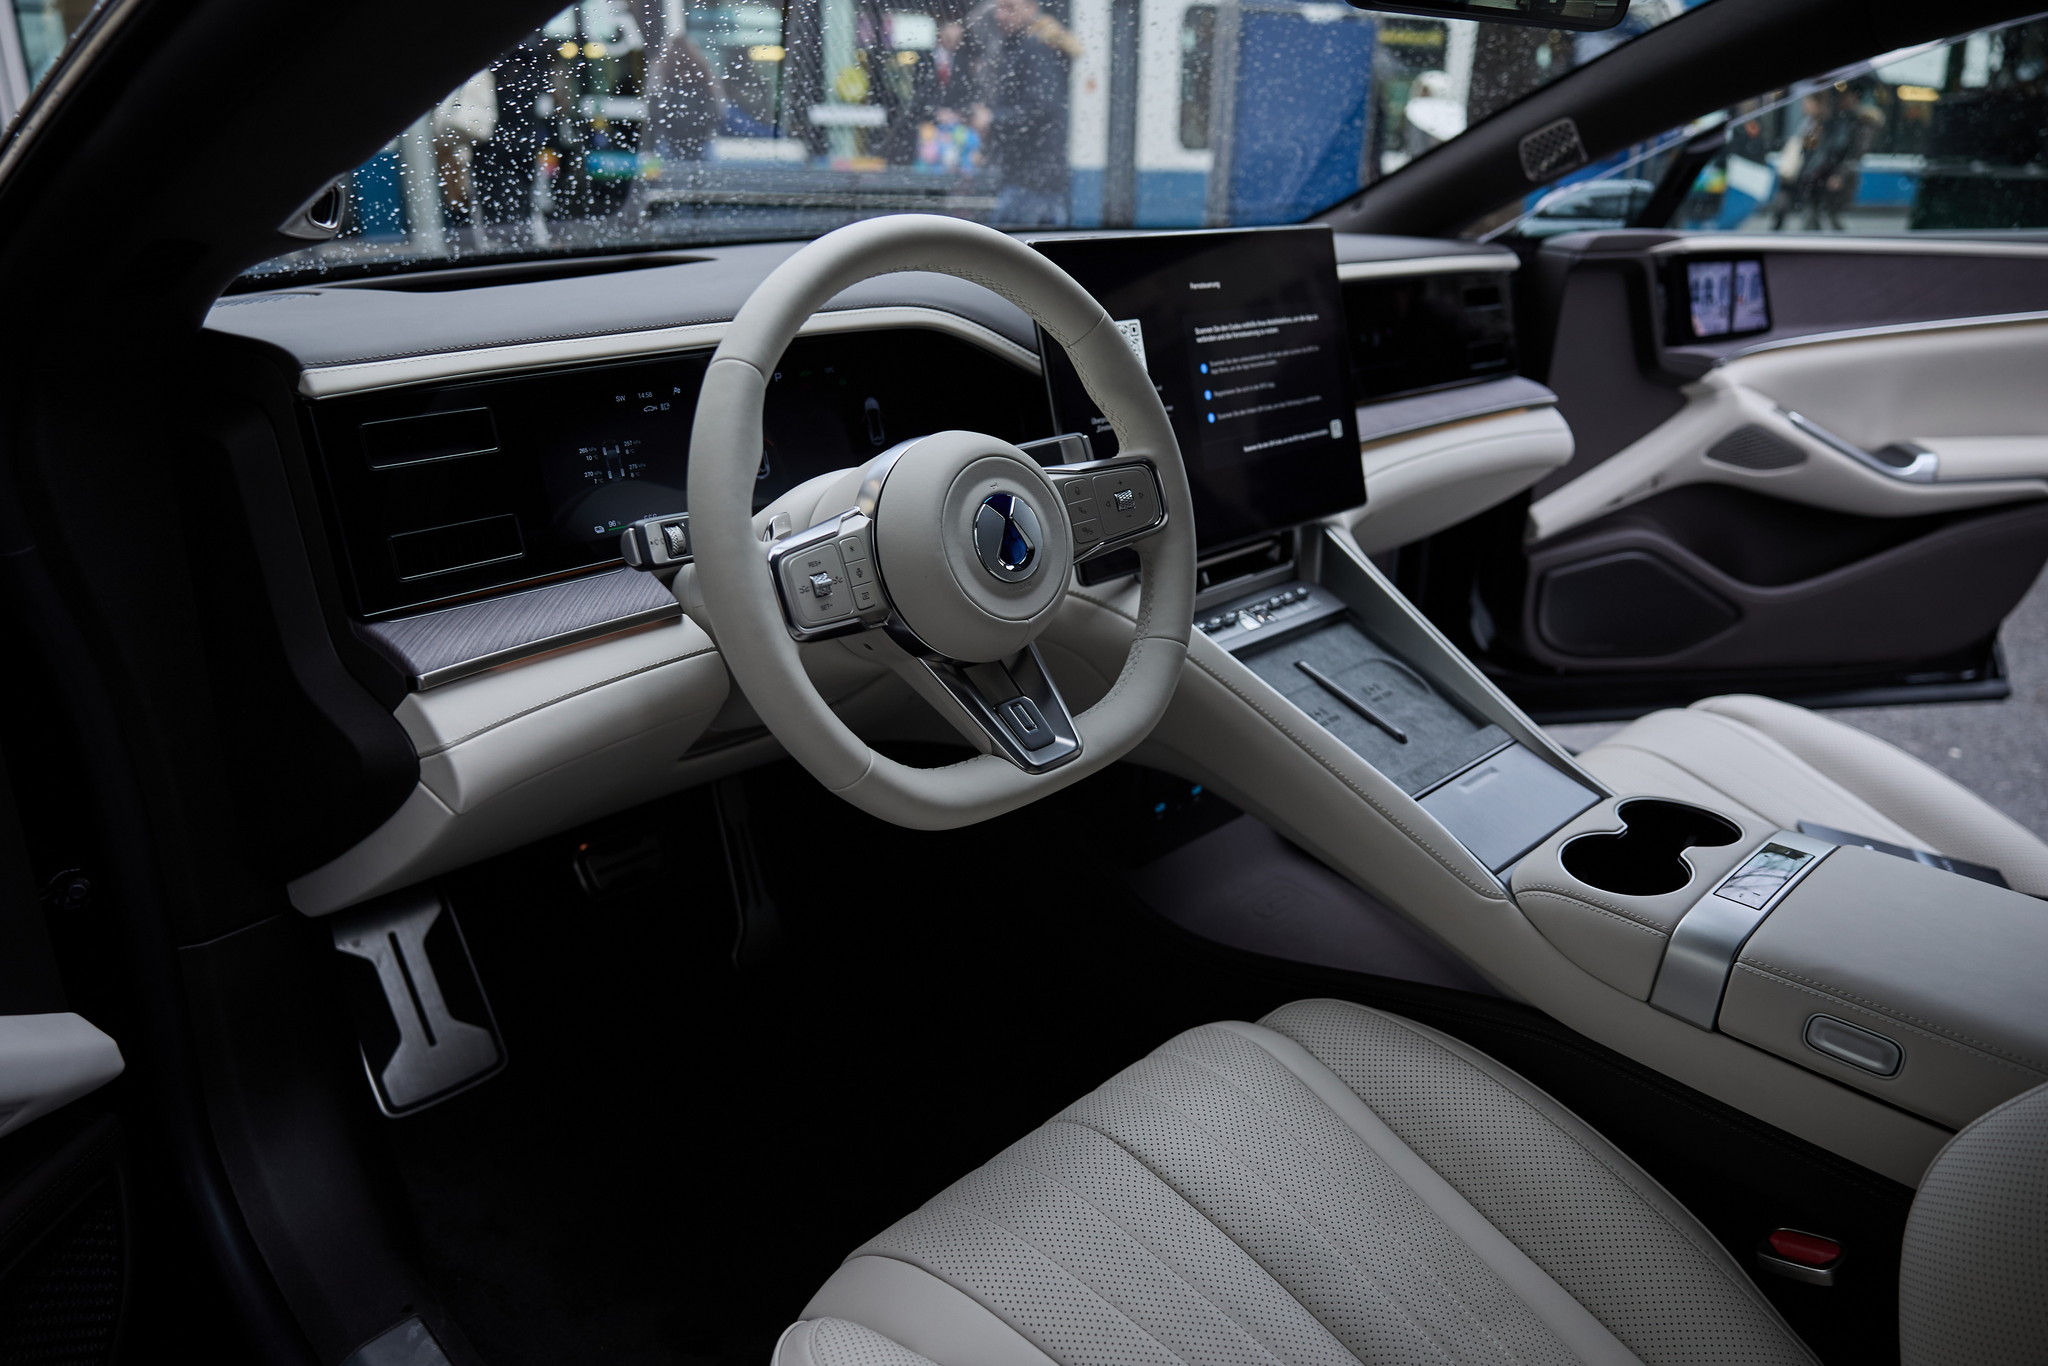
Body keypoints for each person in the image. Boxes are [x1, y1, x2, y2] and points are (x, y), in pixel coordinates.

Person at [973, 0, 1080, 227]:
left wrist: (992, 119)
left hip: (1031, 179)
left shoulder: (1034, 49)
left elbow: (1042, 107)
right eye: (999, 8)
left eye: (1009, 8)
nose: (1000, 15)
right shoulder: (1030, 46)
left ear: (1031, 8)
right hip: (1036, 175)